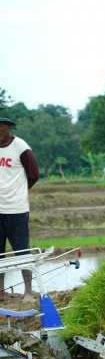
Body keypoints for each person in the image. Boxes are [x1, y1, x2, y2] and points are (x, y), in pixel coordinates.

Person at [0, 113, 38, 302]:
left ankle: (28, 292)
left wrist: (19, 192)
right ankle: (0, 292)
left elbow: (33, 175)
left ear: (9, 127)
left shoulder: (21, 148)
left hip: (16, 209)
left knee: (21, 251)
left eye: (2, 126)